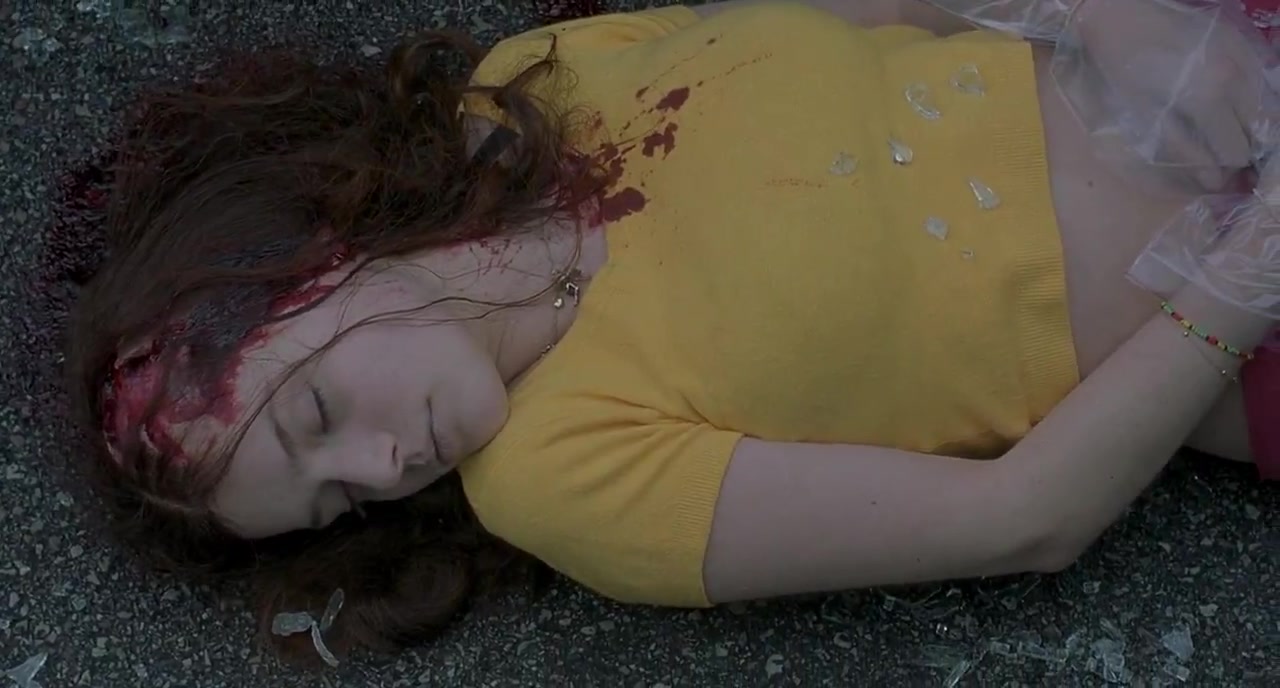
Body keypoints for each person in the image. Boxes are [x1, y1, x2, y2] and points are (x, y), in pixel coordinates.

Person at [65, 0, 1278, 664]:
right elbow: (1022, 516)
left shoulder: (530, 83)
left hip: (1217, 44)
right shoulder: (559, 479)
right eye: (338, 501)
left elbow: (893, 14)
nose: (384, 468)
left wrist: (1102, 10)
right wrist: (1245, 272)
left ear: (312, 255)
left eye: (317, 416)